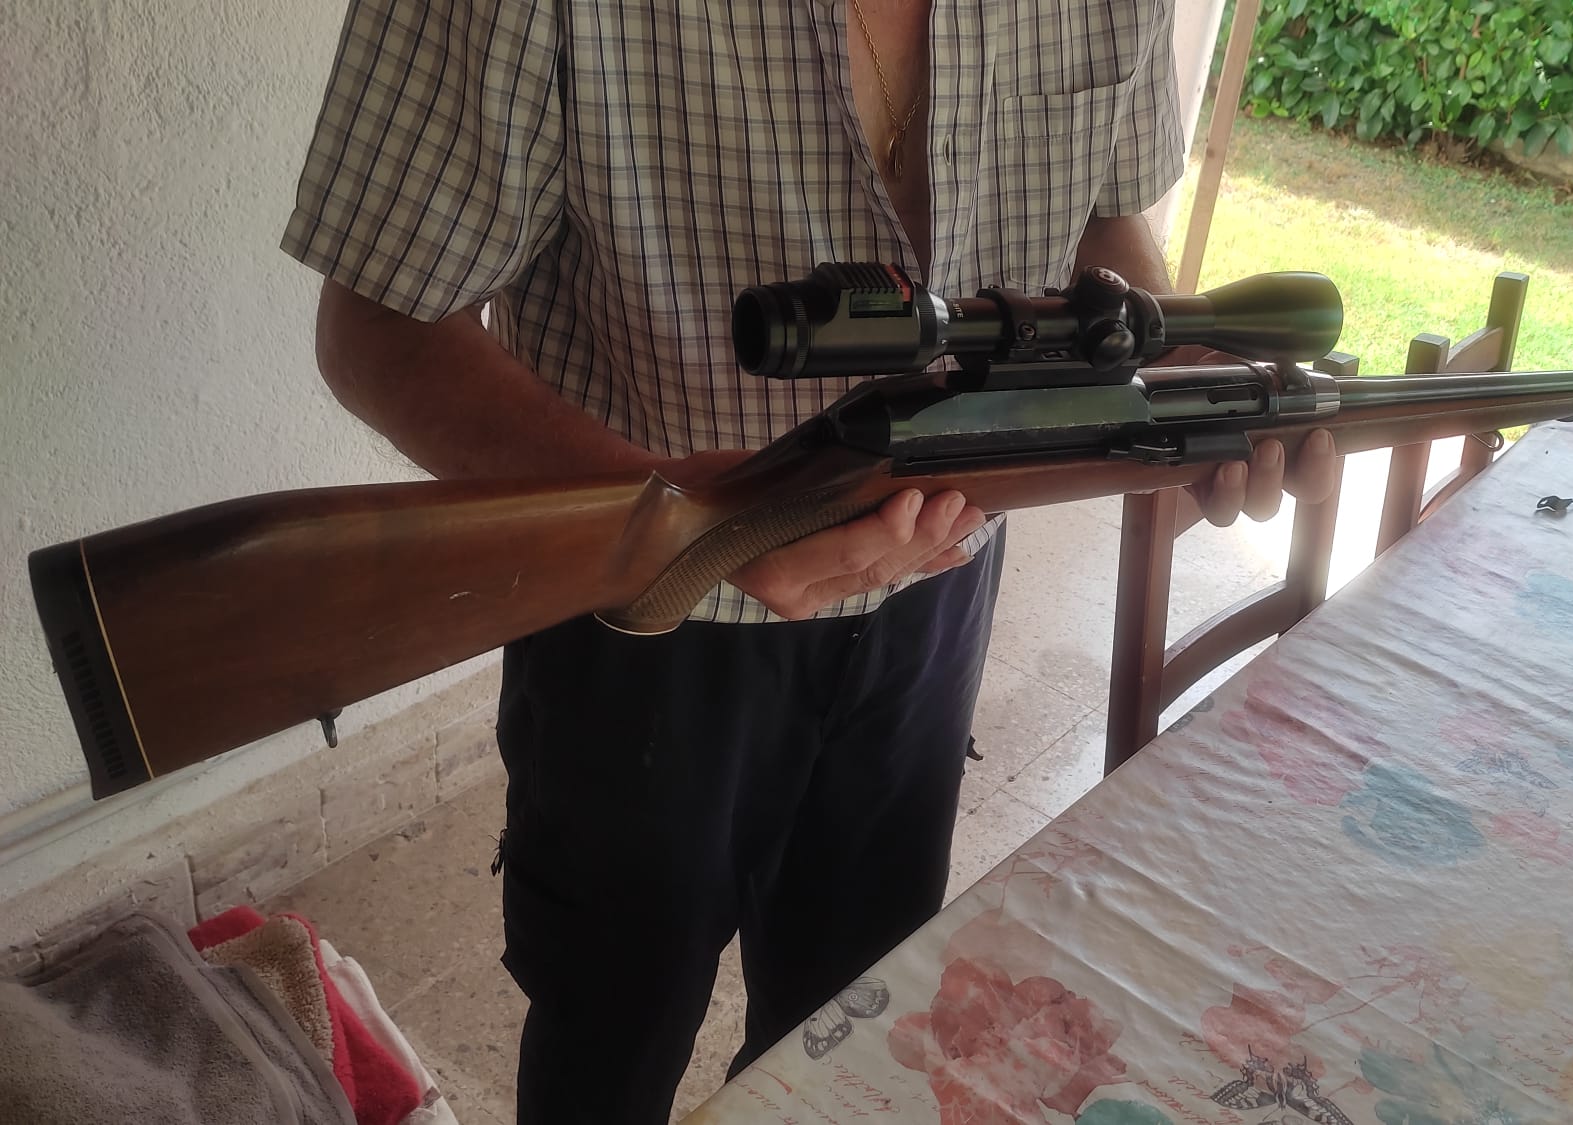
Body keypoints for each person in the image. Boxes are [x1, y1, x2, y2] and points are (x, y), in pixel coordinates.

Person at [281, 0, 1338, 1119]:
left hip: (940, 589)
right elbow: (378, 331)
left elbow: (1105, 230)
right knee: (610, 1027)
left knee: (851, 1026)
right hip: (646, 612)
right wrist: (692, 521)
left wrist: (1185, 382)